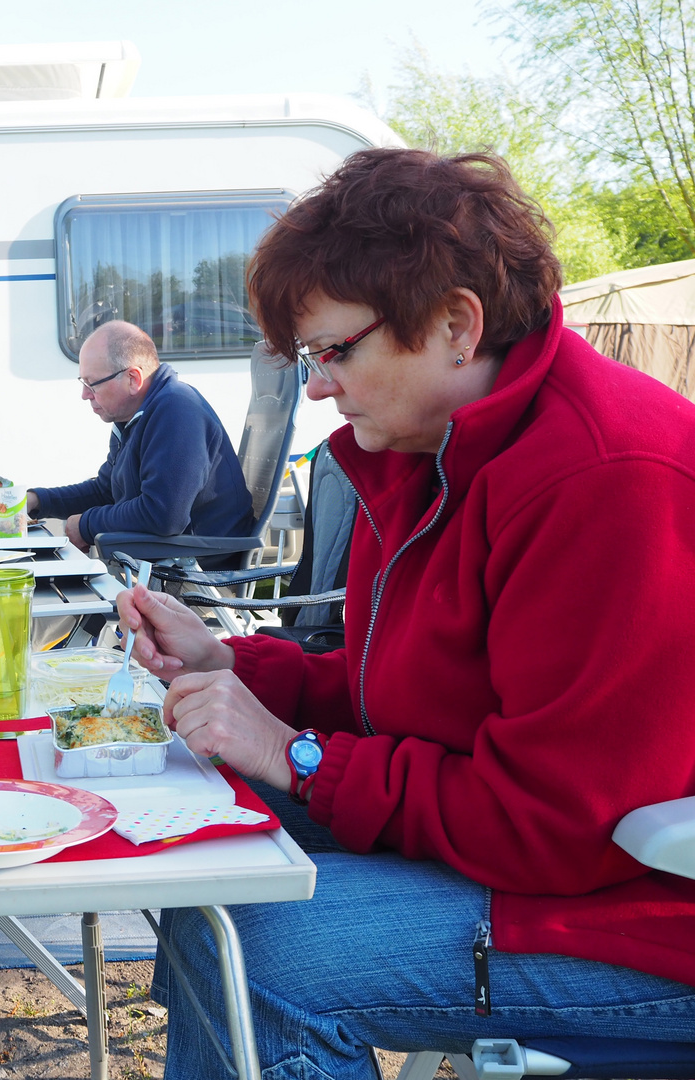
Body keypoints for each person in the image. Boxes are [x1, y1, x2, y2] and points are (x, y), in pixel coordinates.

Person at [118, 149, 695, 1078]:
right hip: (548, 860)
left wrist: (297, 758)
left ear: (456, 325)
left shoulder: (605, 479)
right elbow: (396, 697)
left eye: (333, 351)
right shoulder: (431, 452)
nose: (314, 388)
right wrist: (228, 667)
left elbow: (556, 824)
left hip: (641, 912)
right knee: (203, 840)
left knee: (264, 954)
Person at [25, 320, 252, 556]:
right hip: (173, 559)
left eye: (92, 384)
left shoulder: (177, 410)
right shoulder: (132, 417)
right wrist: (37, 500)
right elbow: (107, 491)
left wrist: (86, 525)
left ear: (133, 378)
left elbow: (163, 515)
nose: (84, 395)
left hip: (201, 567)